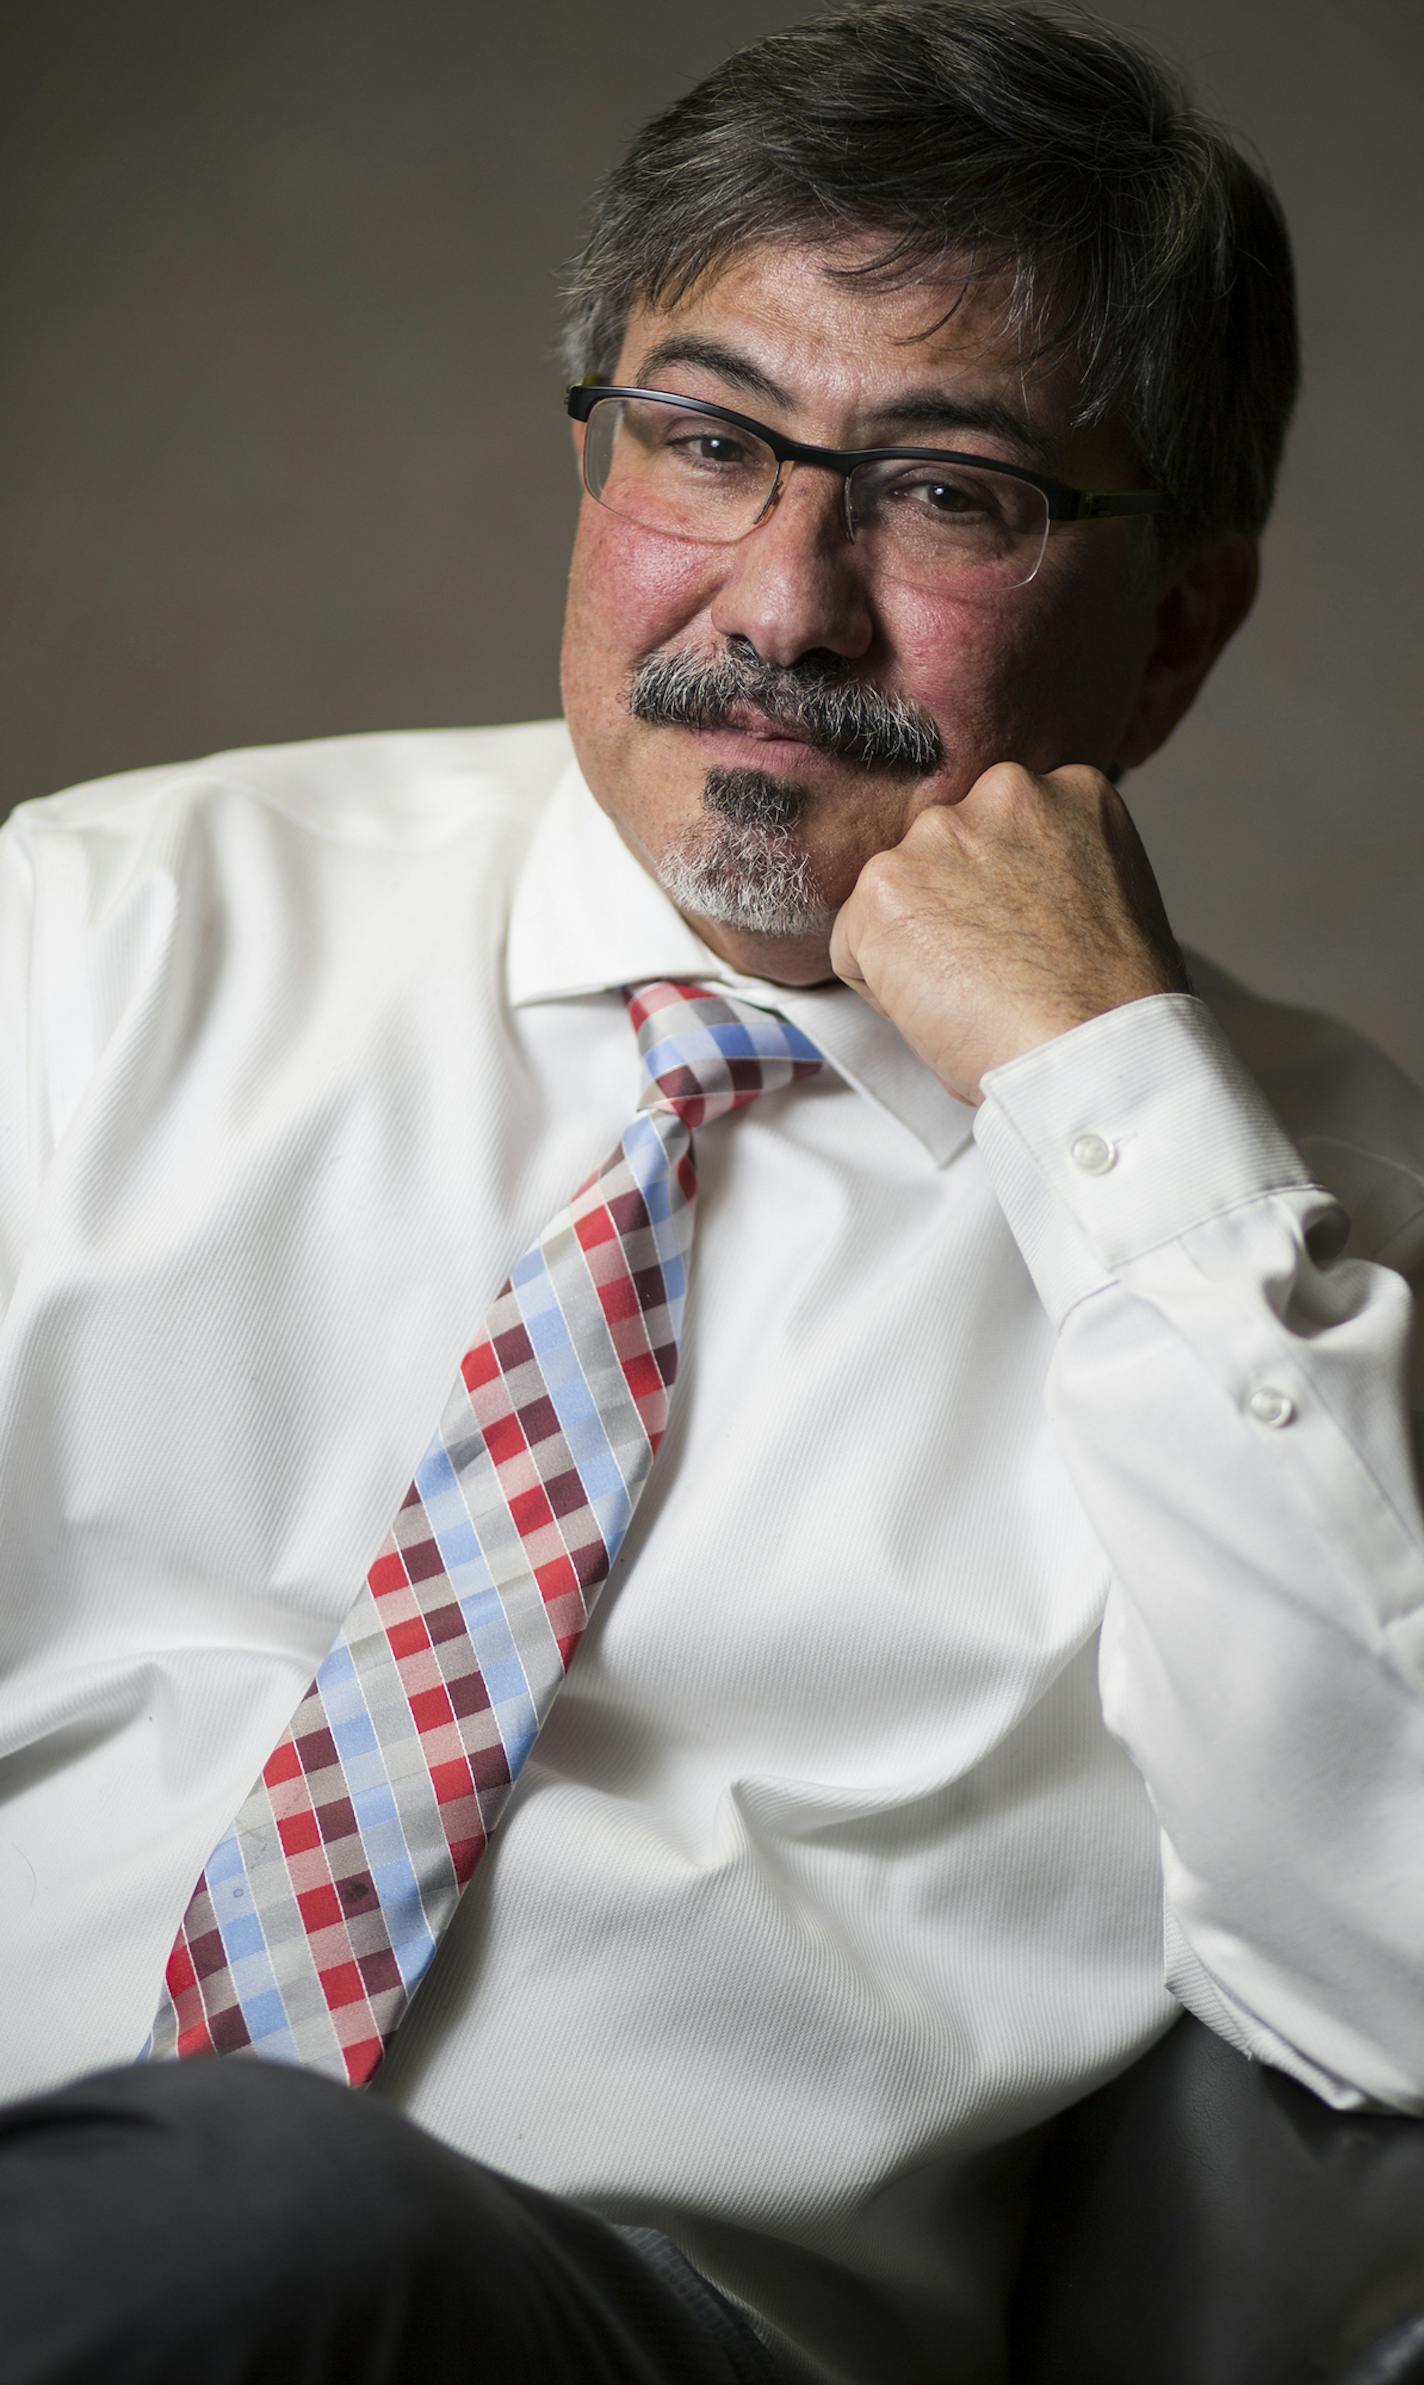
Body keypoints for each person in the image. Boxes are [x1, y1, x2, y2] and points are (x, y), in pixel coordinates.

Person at [1, 1, 1421, 2379]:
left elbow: (1394, 1970)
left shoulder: (1299, 1222)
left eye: (950, 490)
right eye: (708, 441)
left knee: (263, 2204)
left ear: (1177, 622)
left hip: (639, 2326)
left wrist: (1099, 1101)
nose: (782, 603)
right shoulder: (111, 929)